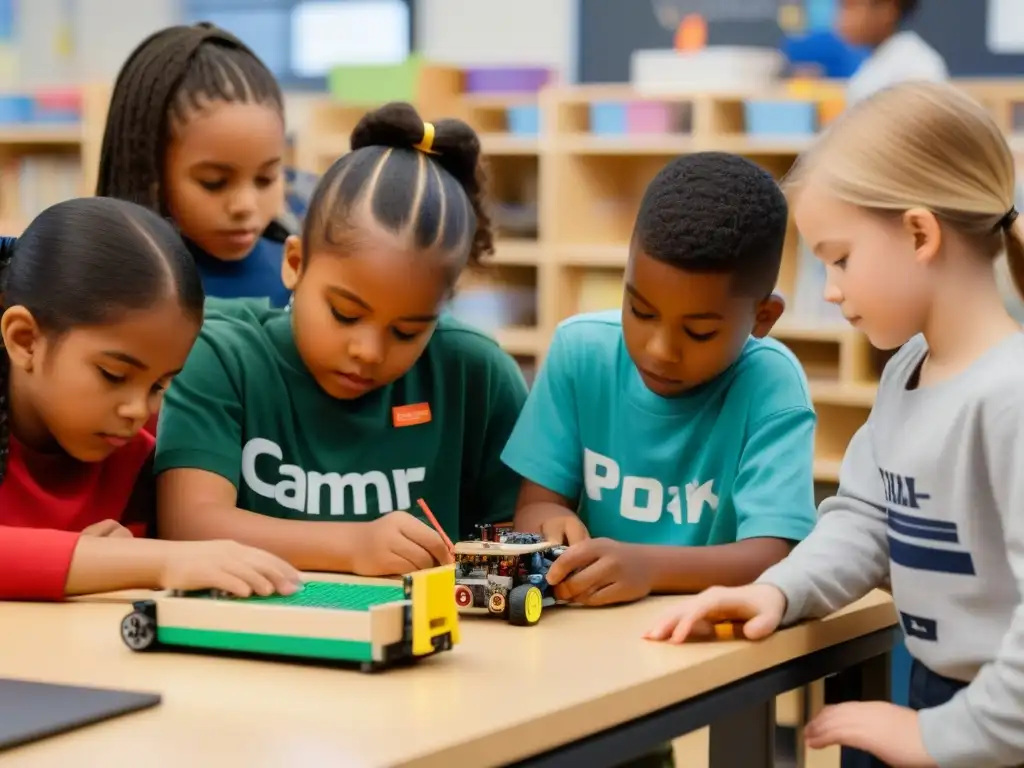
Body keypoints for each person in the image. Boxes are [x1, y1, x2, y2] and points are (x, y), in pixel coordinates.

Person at [645, 81, 1024, 768]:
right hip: (944, 697)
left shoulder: (1011, 398)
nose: (830, 290)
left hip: (996, 721)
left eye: (840, 257)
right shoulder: (908, 368)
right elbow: (864, 522)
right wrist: (778, 589)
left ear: (919, 233)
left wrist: (934, 738)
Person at [154, 102, 528, 576]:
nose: (368, 352)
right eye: (345, 314)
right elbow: (188, 525)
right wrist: (352, 546)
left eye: (407, 331)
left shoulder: (476, 373)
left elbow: (519, 536)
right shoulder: (222, 355)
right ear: (295, 263)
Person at [501, 152, 818, 609]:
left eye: (699, 332)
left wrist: (648, 569)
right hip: (589, 631)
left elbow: (773, 554)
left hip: (707, 637)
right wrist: (548, 519)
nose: (658, 350)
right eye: (640, 311)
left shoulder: (772, 384)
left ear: (762, 318)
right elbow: (535, 505)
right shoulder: (580, 352)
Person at [0, 197, 302, 601]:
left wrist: (121, 553)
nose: (138, 410)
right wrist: (149, 560)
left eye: (160, 385)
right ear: (25, 339)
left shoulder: (136, 453)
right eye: (113, 375)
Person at [96, 22, 292, 309]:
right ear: (148, 171)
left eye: (266, 178)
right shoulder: (111, 290)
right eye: (214, 182)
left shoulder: (302, 275)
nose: (245, 205)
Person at [838, 0, 947, 106]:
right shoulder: (877, 60)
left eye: (850, 5)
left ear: (888, 9)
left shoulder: (916, 65)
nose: (841, 18)